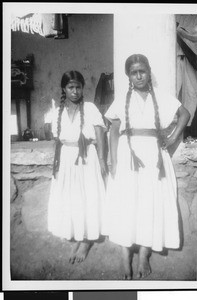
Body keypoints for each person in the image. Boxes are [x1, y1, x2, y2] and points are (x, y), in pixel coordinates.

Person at [104, 54, 190, 279]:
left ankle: (143, 254)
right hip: (127, 155)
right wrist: (113, 162)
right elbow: (113, 132)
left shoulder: (161, 96)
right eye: (134, 72)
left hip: (153, 156)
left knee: (149, 203)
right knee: (127, 203)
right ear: (128, 76)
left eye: (142, 71)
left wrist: (171, 139)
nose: (139, 75)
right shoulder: (122, 99)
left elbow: (184, 114)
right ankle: (125, 255)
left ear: (148, 71)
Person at [48, 70, 107, 263]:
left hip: (86, 159)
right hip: (66, 159)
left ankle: (86, 241)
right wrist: (56, 165)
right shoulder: (58, 112)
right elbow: (58, 142)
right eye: (71, 87)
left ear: (83, 88)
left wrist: (102, 161)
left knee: (86, 197)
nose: (75, 91)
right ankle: (76, 233)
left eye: (78, 87)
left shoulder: (90, 109)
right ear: (64, 89)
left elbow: (100, 136)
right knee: (71, 198)